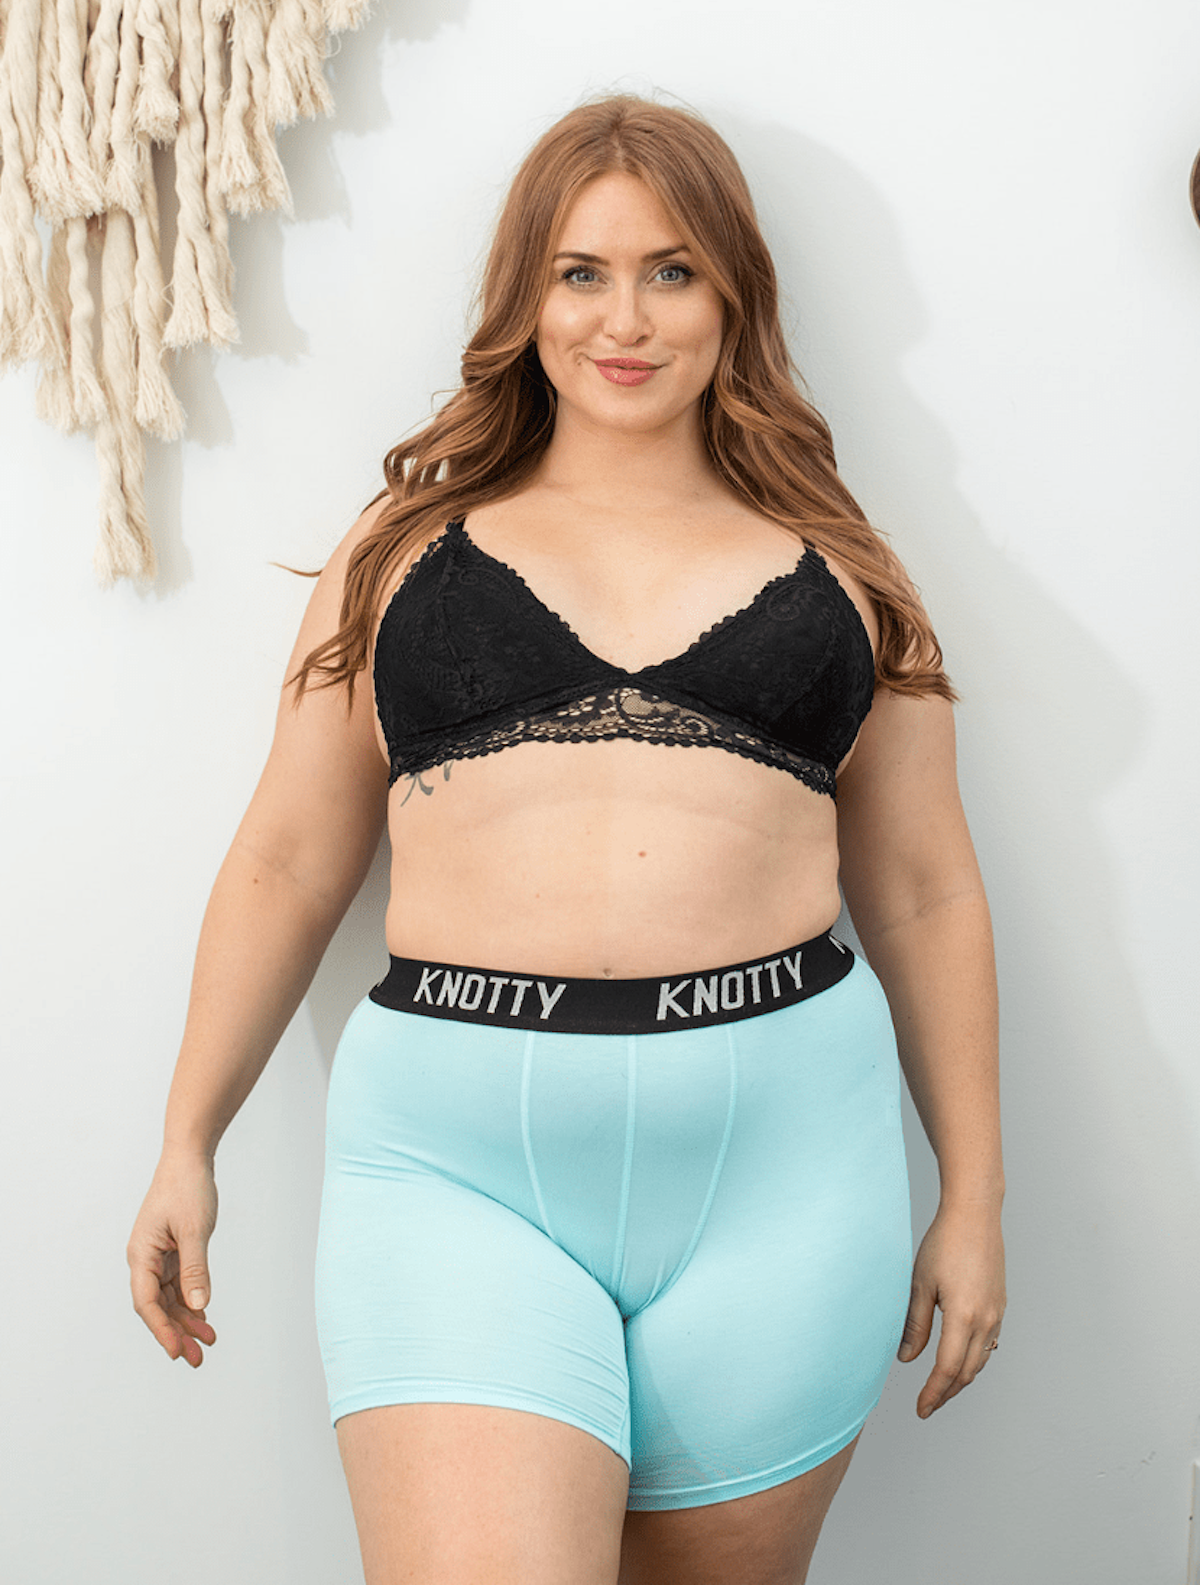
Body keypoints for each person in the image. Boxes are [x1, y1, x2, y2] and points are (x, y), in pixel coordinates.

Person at [127, 94, 1005, 1585]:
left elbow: (924, 892)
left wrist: (976, 1195)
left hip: (788, 1178)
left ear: (734, 294)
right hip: (456, 1177)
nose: (626, 319)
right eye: (580, 273)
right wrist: (185, 1140)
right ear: (524, 297)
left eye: (672, 271)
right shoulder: (398, 552)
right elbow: (287, 858)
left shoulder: (848, 568)